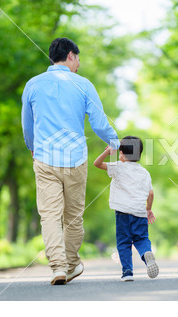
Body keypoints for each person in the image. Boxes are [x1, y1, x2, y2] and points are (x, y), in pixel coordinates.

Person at [22, 38, 119, 285]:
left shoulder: (32, 85)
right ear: (71, 56)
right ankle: (72, 262)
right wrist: (115, 141)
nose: (79, 64)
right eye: (78, 58)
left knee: (50, 216)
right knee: (73, 217)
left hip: (44, 158)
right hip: (75, 159)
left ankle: (59, 267)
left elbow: (28, 124)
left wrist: (32, 148)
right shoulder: (84, 85)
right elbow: (98, 122)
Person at [93, 136, 159, 282]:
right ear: (139, 154)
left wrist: (109, 152)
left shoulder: (118, 167)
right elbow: (151, 193)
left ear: (121, 153)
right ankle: (146, 253)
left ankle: (127, 272)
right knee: (141, 239)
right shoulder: (144, 173)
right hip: (140, 213)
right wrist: (148, 209)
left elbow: (96, 163)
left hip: (123, 213)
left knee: (124, 242)